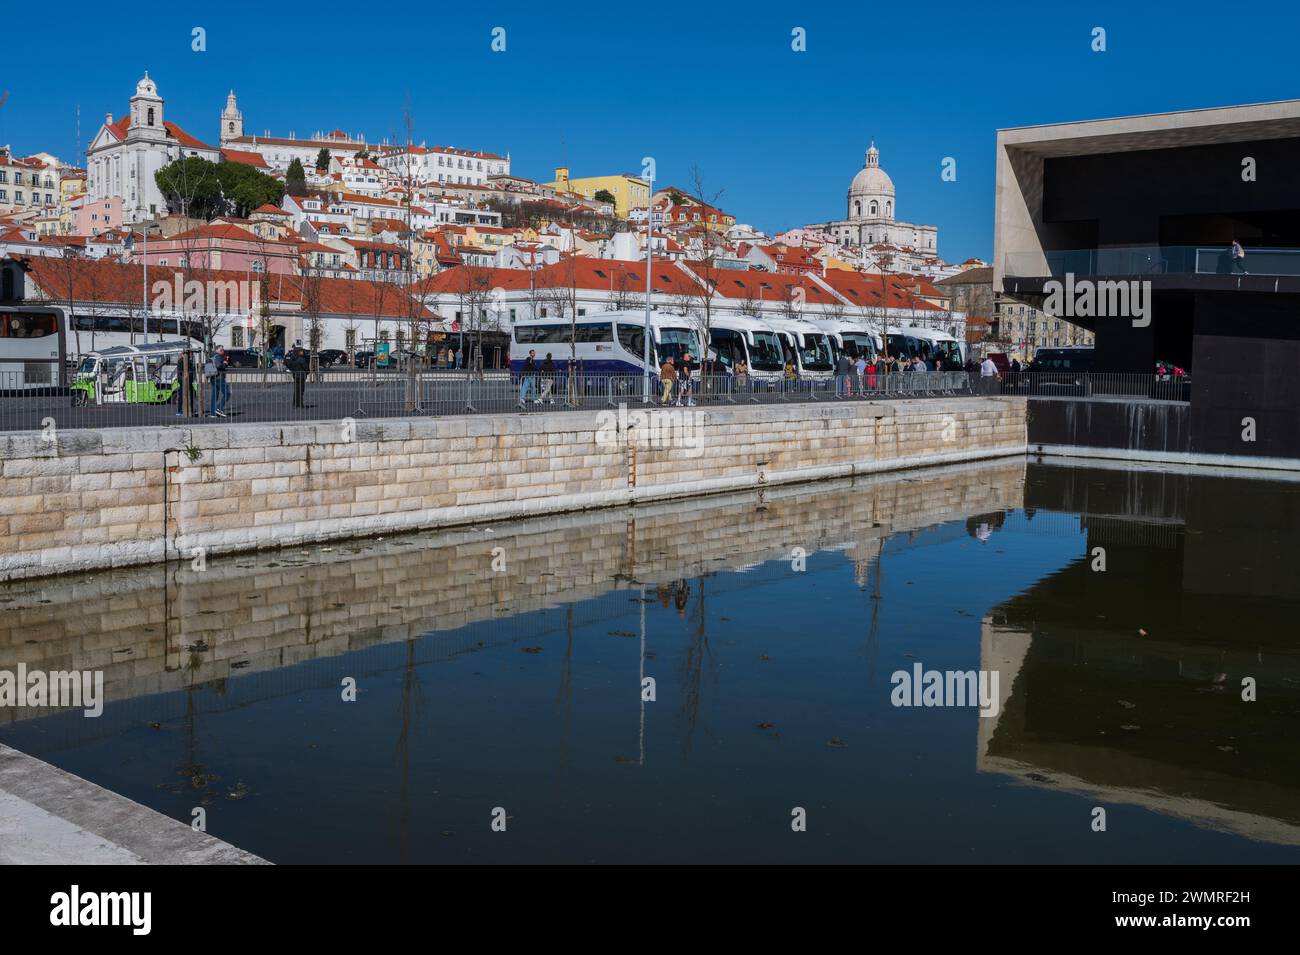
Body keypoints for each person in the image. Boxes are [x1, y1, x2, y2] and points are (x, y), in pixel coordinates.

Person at [207, 345, 230, 417]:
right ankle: (219, 408)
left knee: (214, 396)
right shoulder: (217, 356)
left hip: (212, 377)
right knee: (227, 393)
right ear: (217, 350)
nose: (223, 351)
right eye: (221, 350)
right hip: (219, 377)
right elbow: (219, 366)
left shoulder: (211, 356)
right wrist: (225, 364)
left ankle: (213, 413)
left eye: (223, 350)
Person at [286, 341, 309, 407]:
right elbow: (306, 368)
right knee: (301, 390)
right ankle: (300, 404)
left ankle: (295, 403)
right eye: (302, 351)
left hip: (295, 375)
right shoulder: (301, 359)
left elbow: (289, 365)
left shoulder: (293, 358)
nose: (303, 352)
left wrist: (293, 370)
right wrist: (307, 372)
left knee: (296, 390)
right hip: (301, 376)